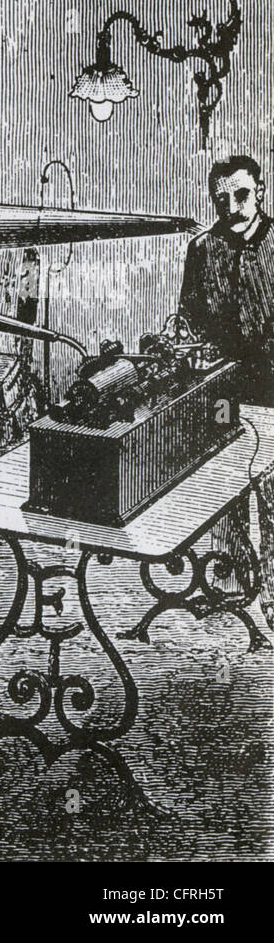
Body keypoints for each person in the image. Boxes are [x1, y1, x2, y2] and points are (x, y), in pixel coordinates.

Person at [178, 155, 274, 612]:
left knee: (272, 493)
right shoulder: (203, 250)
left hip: (272, 394)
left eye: (242, 195)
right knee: (226, 485)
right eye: (223, 200)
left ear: (261, 190)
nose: (233, 207)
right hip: (223, 394)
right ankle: (234, 584)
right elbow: (189, 321)